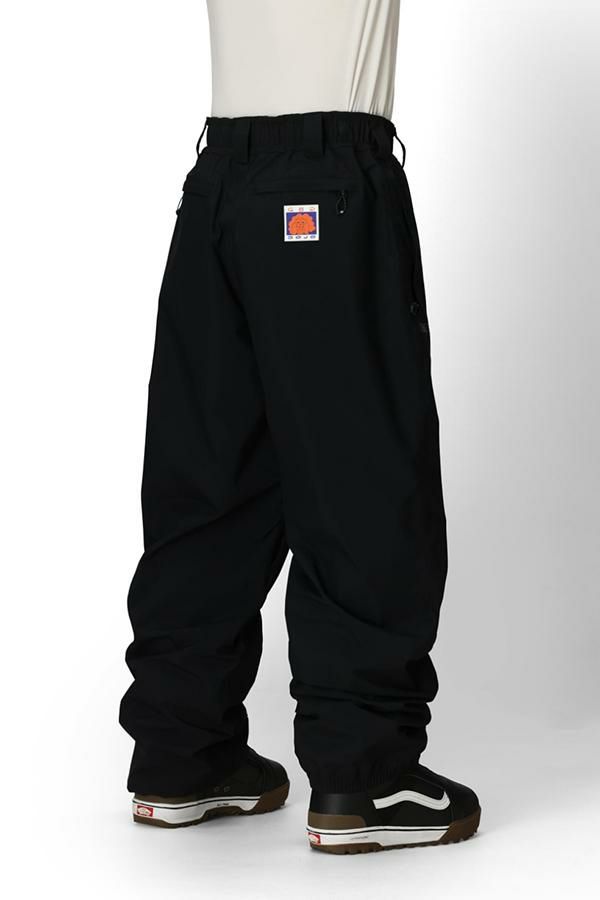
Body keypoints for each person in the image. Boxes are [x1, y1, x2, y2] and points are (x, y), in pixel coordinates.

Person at [119, 0, 481, 854]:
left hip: (219, 188)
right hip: (328, 179)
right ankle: (367, 773)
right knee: (362, 475)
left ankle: (183, 754)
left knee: (213, 482)